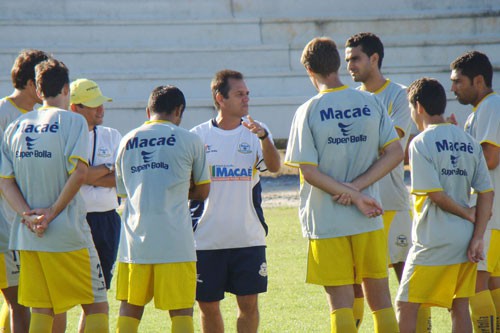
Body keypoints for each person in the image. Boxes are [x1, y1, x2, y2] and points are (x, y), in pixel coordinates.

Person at [284, 37, 403, 333]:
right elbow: (396, 153)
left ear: (310, 70)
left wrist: (350, 193)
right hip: (369, 218)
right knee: (381, 301)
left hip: (327, 222)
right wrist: (359, 191)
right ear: (337, 64)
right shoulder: (371, 101)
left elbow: (309, 172)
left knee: (341, 303)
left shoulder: (308, 110)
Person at [0, 58, 109, 332]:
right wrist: (51, 213)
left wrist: (28, 215)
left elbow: (5, 181)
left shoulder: (17, 125)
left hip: (28, 235)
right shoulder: (73, 122)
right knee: (96, 305)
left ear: (38, 91)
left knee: (43, 308)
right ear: (65, 90)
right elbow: (80, 173)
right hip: (68, 232)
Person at [344, 32, 431, 331]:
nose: (349, 66)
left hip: (391, 203)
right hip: (358, 207)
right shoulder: (351, 98)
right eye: (346, 60)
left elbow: (390, 145)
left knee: (408, 283)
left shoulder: (399, 95)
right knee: (356, 284)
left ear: (375, 58)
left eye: (355, 58)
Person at [396, 77, 494, 333]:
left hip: (433, 239)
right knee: (459, 306)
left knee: (405, 305)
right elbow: (486, 192)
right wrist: (478, 236)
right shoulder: (468, 142)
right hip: (465, 239)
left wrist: (466, 213)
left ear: (418, 106)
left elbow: (435, 195)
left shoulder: (421, 142)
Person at [190, 69, 281, 333]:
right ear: (220, 98)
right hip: (205, 238)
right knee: (207, 305)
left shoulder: (256, 132)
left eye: (247, 94)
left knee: (249, 305)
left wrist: (263, 137)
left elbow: (274, 167)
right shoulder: (197, 136)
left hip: (248, 237)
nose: (246, 99)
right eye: (239, 94)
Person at [114, 85, 210, 333]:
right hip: (175, 243)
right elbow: (202, 191)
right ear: (179, 111)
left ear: (148, 110)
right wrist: (178, 190)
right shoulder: (190, 139)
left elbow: (125, 191)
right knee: (180, 311)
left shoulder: (127, 140)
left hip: (134, 243)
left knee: (130, 308)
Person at [450, 51, 500, 332]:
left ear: (478, 80)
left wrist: (456, 150)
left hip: (488, 215)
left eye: (458, 82)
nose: (453, 88)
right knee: (493, 285)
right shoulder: (481, 111)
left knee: (476, 287)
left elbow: (490, 157)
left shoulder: (492, 106)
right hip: (493, 215)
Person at [0, 48, 49, 332]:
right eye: (43, 80)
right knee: (19, 300)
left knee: (20, 300)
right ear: (32, 84)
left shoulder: (41, 115)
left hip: (27, 222)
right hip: (7, 225)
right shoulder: (5, 113)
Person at [69, 79, 121, 332]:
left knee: (98, 294)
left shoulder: (112, 135)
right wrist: (105, 170)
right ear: (74, 108)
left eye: (101, 103)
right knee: (64, 293)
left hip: (106, 220)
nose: (100, 109)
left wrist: (85, 175)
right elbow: (69, 178)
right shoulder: (64, 136)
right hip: (73, 220)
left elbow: (121, 180)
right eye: (93, 105)